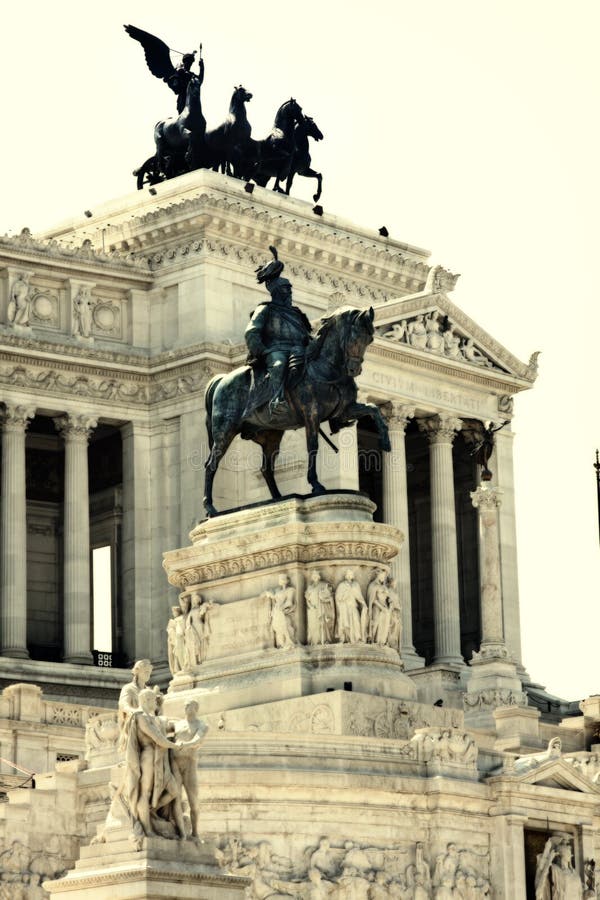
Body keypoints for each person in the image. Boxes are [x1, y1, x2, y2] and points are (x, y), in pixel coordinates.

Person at [244, 247, 312, 415]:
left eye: (290, 289)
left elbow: (306, 335)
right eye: (285, 290)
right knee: (279, 365)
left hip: (297, 349)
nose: (289, 293)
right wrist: (262, 351)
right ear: (276, 292)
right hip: (275, 350)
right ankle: (277, 399)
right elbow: (251, 332)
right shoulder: (266, 309)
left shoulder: (297, 314)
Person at [122, 688, 186, 838]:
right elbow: (156, 737)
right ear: (145, 700)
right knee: (145, 793)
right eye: (152, 700)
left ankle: (150, 810)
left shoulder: (153, 718)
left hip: (159, 758)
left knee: (174, 791)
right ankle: (148, 830)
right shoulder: (140, 717)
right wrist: (175, 746)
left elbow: (166, 728)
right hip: (148, 757)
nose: (155, 703)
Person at [171, 699, 209, 838]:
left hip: (189, 763)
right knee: (177, 797)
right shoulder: (177, 724)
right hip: (175, 762)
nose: (186, 706)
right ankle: (181, 832)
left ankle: (195, 832)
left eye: (190, 705)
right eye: (185, 704)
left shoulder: (202, 725)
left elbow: (197, 740)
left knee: (193, 799)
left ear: (196, 708)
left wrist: (184, 744)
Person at [335, 571, 367, 644]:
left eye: (351, 575)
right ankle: (346, 638)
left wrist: (363, 603)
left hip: (353, 606)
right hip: (344, 607)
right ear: (346, 576)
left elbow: (359, 596)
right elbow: (337, 597)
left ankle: (357, 638)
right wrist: (344, 595)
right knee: (345, 623)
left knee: (356, 621)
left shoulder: (355, 585)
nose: (349, 576)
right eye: (348, 575)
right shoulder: (342, 585)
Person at [305, 571, 335, 645]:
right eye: (313, 575)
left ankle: (325, 640)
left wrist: (323, 598)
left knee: (322, 623)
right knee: (313, 625)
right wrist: (310, 606)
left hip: (321, 607)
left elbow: (329, 596)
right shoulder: (310, 587)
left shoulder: (324, 585)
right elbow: (307, 599)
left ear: (319, 576)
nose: (315, 576)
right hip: (312, 608)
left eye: (316, 575)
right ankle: (315, 641)